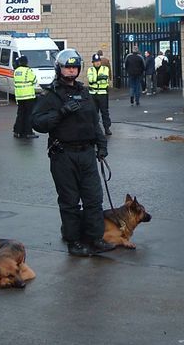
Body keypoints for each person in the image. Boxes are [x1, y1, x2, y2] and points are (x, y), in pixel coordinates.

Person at [31, 49, 115, 257]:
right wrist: (61, 113)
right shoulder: (50, 94)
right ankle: (74, 241)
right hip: (63, 154)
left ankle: (95, 237)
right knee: (69, 201)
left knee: (93, 198)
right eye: (67, 67)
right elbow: (37, 123)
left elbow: (93, 122)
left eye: (74, 67)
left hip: (87, 152)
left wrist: (102, 145)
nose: (71, 70)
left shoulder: (84, 92)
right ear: (59, 68)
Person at [13, 55, 38, 139]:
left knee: (20, 114)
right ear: (26, 62)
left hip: (19, 96)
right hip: (28, 96)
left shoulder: (16, 71)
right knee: (28, 115)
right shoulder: (28, 70)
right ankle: (28, 132)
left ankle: (17, 131)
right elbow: (34, 80)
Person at [87, 53, 112, 135]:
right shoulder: (90, 70)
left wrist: (97, 79)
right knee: (94, 112)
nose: (97, 63)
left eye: (98, 61)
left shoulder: (105, 69)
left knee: (105, 112)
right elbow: (91, 80)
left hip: (103, 93)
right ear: (93, 62)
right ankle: (94, 129)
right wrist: (99, 78)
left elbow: (105, 79)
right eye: (95, 61)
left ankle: (107, 128)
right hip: (93, 94)